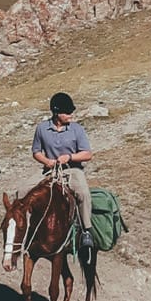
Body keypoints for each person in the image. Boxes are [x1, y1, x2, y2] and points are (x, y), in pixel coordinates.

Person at [32, 91, 96, 261]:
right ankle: (26, 232)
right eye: (67, 112)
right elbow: (36, 152)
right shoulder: (41, 129)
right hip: (50, 171)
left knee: (82, 193)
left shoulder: (76, 129)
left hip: (72, 169)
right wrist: (47, 161)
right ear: (56, 113)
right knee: (23, 192)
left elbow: (87, 154)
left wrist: (70, 157)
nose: (70, 115)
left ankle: (86, 232)